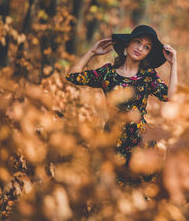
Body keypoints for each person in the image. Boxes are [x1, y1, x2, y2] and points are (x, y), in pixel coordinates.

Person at [65, 25, 177, 185]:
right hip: (113, 140)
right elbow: (72, 76)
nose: (140, 48)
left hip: (141, 143)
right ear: (128, 43)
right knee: (108, 192)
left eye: (146, 47)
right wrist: (91, 52)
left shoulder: (148, 76)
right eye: (138, 42)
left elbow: (171, 97)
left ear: (148, 53)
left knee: (140, 195)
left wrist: (174, 64)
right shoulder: (108, 73)